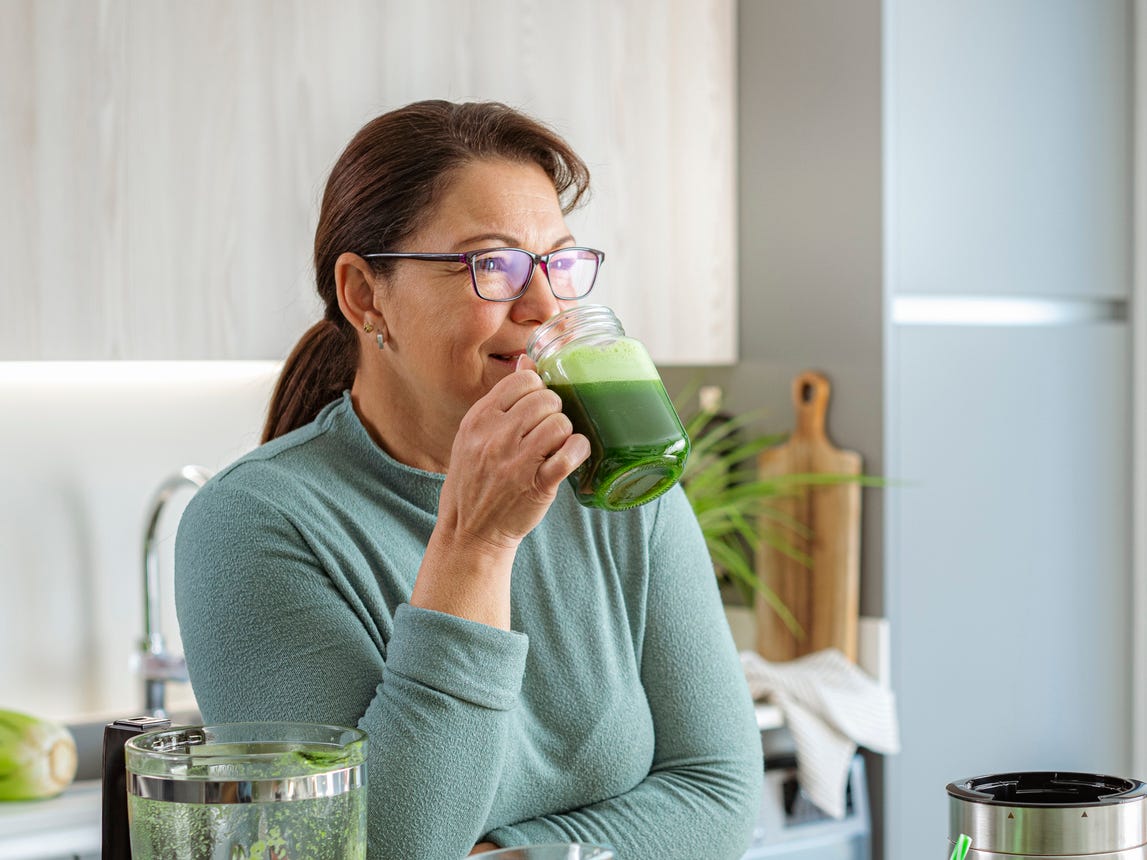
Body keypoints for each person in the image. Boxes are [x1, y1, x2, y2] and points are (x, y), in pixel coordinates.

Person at [175, 99, 763, 859]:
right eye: (493, 264)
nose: (544, 304)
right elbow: (370, 849)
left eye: (557, 262)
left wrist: (511, 855)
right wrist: (476, 544)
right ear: (364, 294)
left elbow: (718, 794)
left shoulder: (620, 484)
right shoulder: (252, 525)